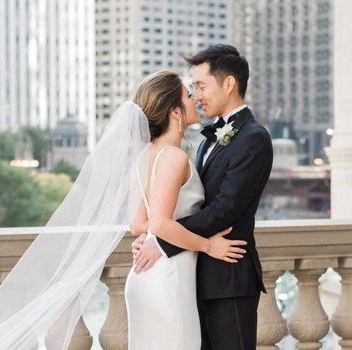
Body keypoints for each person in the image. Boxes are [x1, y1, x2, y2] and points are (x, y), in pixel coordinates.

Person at [0, 69, 245, 350]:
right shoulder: (173, 157)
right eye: (186, 94)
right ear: (175, 112)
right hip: (167, 279)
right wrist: (208, 245)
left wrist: (157, 236)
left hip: (148, 278)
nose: (194, 97)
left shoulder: (146, 155)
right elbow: (159, 224)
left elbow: (138, 224)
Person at [132, 44, 273, 350]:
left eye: (201, 86)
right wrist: (156, 231)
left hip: (228, 277)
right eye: (192, 90)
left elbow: (224, 209)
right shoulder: (204, 141)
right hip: (191, 275)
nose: (197, 96)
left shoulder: (253, 139)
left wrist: (162, 238)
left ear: (229, 84)